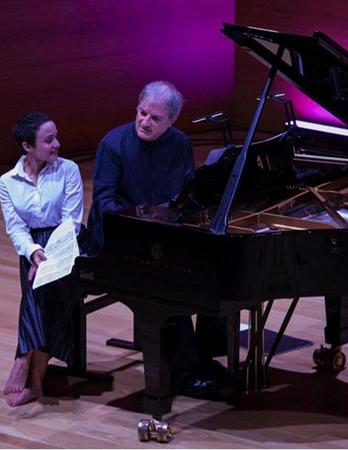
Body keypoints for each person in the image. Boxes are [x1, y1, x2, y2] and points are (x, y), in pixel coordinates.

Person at [87, 80, 229, 398]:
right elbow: (105, 202)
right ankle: (183, 371)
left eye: (155, 118)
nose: (145, 122)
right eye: (142, 113)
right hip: (118, 240)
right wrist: (141, 219)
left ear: (172, 120)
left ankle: (206, 356)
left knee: (217, 270)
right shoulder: (113, 144)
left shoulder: (179, 144)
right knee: (169, 285)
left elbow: (185, 194)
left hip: (163, 234)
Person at [0, 112, 85, 407]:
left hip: (65, 246)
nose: (57, 144)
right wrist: (34, 253)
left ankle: (23, 359)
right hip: (33, 247)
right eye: (48, 140)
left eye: (56, 137)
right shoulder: (7, 182)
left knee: (41, 294)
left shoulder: (68, 170)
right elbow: (16, 227)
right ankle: (34, 382)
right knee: (38, 294)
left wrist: (49, 257)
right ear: (28, 147)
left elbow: (71, 220)